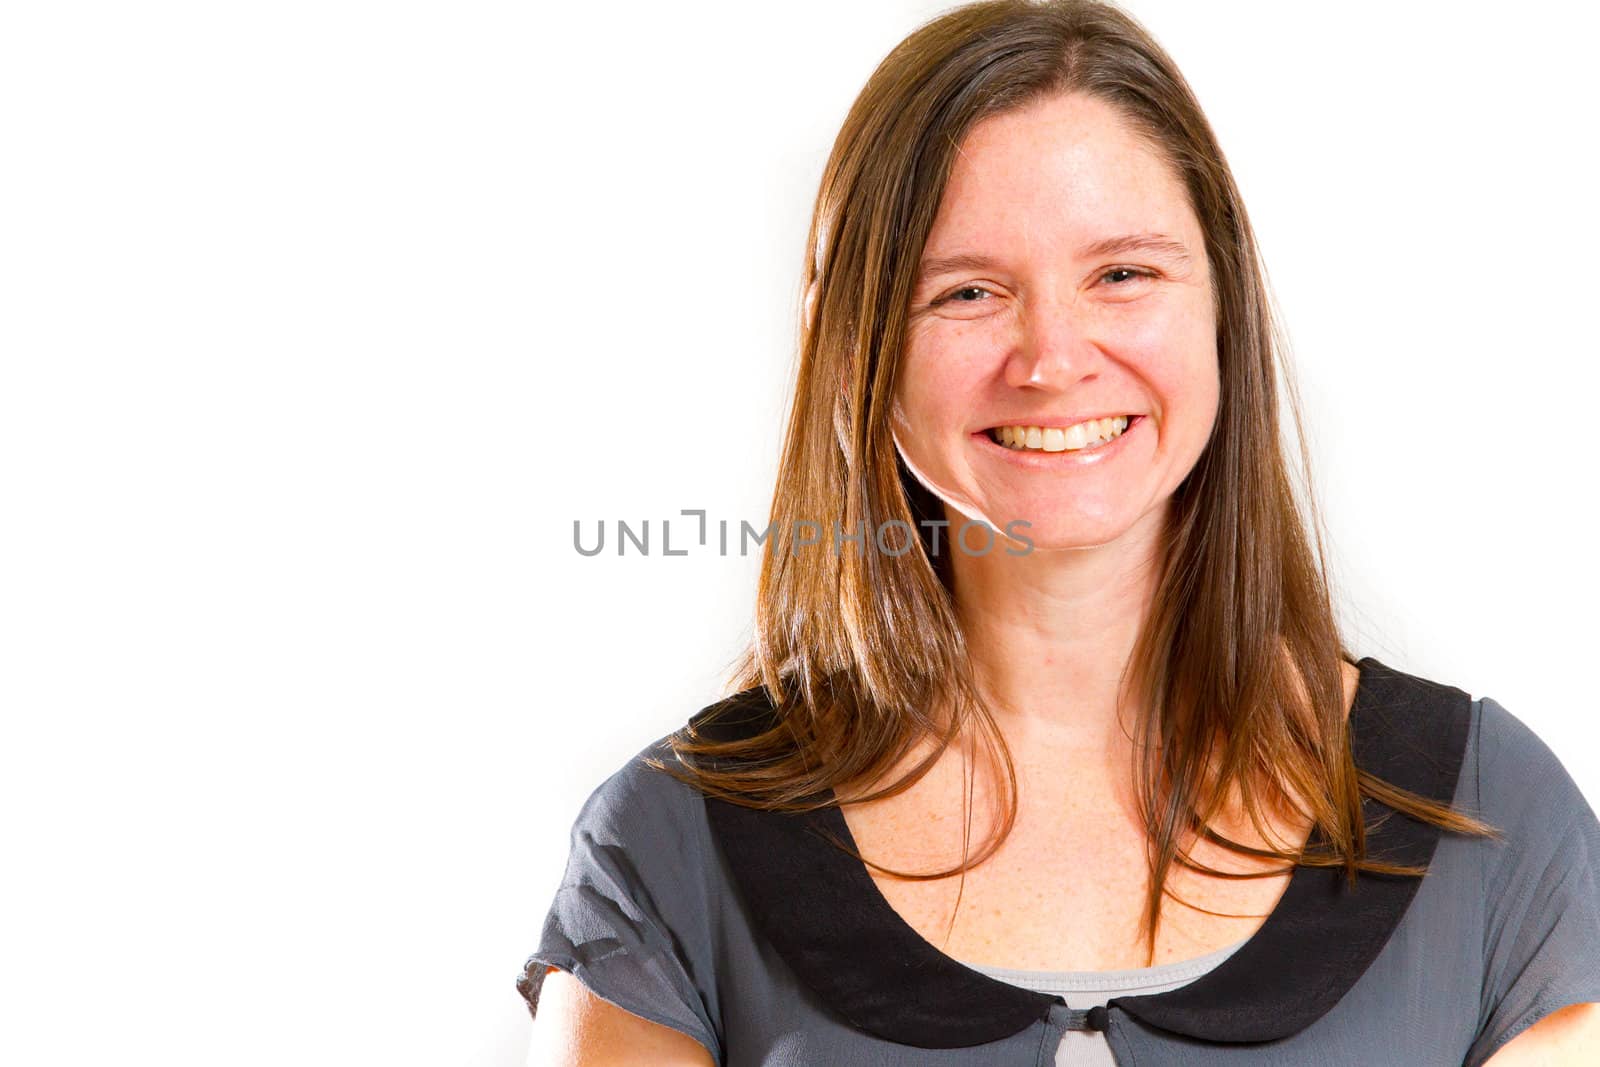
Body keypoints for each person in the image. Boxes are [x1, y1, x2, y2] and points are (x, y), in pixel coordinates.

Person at [518, 1, 1600, 1063]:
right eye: (969, 292)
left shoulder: (1493, 822)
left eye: (1122, 273)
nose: (1051, 356)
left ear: (1222, 305)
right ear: (857, 347)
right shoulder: (668, 849)